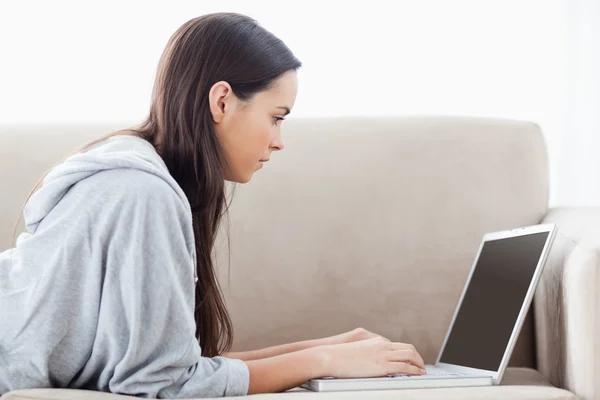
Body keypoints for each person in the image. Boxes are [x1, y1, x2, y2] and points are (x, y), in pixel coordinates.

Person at [0, 12, 425, 398]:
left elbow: (171, 365)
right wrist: (323, 363)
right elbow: (163, 385)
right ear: (221, 101)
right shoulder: (143, 193)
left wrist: (327, 348)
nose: (279, 141)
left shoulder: (141, 178)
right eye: (276, 116)